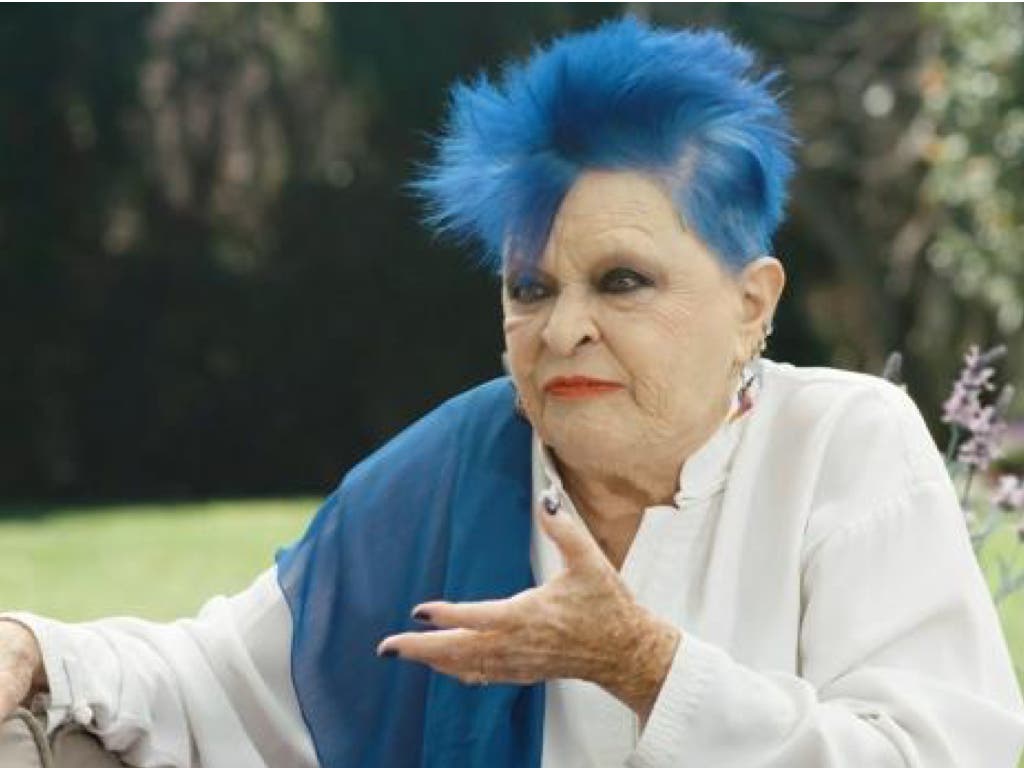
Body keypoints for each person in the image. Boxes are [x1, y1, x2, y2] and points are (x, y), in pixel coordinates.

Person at [2, 16, 1023, 768]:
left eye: (621, 281)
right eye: (530, 288)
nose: (561, 327)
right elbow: (217, 679)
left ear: (751, 302)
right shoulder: (457, 467)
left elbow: (930, 756)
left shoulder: (842, 443)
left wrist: (643, 665)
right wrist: (38, 646)